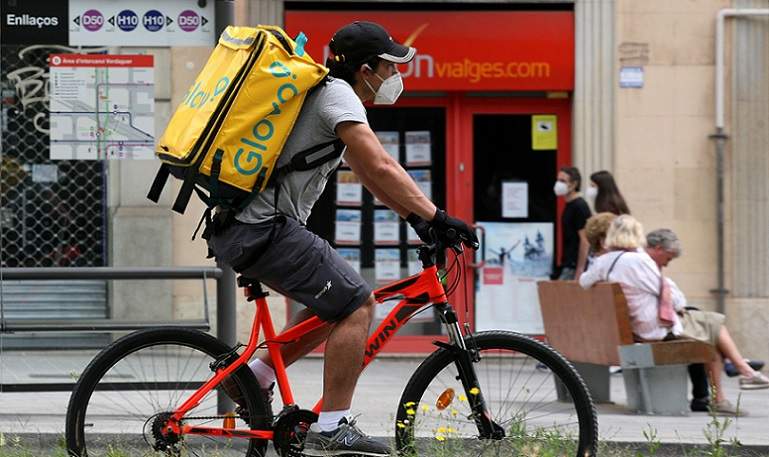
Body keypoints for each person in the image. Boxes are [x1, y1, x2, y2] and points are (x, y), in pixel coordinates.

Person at [207, 21, 478, 456]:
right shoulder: (337, 95)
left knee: (334, 304)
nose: (394, 78)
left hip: (244, 227)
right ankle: (333, 426)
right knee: (358, 304)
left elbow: (369, 174)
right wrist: (439, 216)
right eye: (389, 67)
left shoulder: (327, 95)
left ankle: (256, 375)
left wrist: (415, 218)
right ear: (366, 68)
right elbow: (383, 164)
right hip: (264, 228)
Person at [580, 216, 769, 416]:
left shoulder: (604, 262)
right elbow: (671, 296)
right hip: (652, 329)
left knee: (709, 327)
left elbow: (584, 282)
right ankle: (738, 376)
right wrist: (678, 303)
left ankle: (737, 374)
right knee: (714, 326)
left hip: (632, 327)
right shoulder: (639, 260)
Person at [645, 229, 768, 412]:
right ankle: (740, 369)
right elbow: (678, 301)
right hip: (656, 329)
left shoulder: (641, 265)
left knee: (707, 329)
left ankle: (723, 381)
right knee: (711, 326)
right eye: (668, 258)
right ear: (658, 248)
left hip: (653, 325)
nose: (667, 264)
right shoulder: (645, 267)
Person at [554, 167, 592, 280]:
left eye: (563, 181)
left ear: (574, 184)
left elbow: (585, 240)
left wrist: (580, 269)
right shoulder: (569, 205)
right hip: (567, 263)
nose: (558, 184)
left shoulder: (579, 206)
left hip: (573, 266)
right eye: (558, 180)